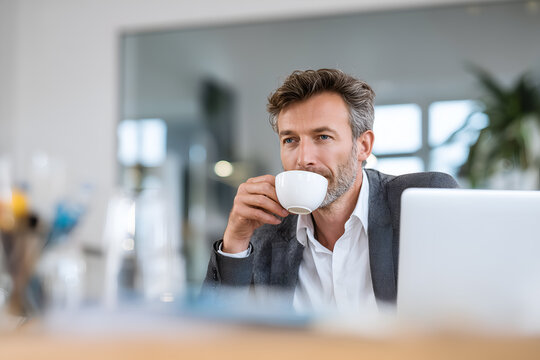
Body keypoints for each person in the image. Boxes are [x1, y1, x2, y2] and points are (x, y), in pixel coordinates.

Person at [203, 69, 458, 313]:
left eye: (322, 137)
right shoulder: (265, 231)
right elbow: (215, 335)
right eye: (290, 140)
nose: (303, 159)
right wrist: (235, 241)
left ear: (363, 146)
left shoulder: (423, 202)